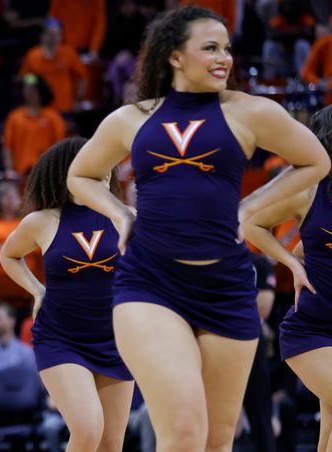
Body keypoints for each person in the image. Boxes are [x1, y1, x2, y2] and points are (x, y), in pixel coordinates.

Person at [67, 6, 330, 451]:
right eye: (210, 48)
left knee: (217, 440)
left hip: (227, 287)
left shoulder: (250, 112)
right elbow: (81, 176)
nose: (223, 58)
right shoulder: (132, 118)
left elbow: (315, 160)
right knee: (185, 434)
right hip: (151, 285)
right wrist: (120, 214)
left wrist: (247, 210)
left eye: (226, 48)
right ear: (173, 56)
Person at [0, 137, 134, 452]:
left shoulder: (127, 216)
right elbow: (8, 255)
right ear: (69, 172)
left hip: (117, 339)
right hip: (62, 338)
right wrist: (36, 290)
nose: (103, 171)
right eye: (93, 163)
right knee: (88, 432)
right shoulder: (42, 221)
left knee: (111, 444)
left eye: (106, 164)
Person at [243, 105, 332, 452]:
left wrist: (299, 257)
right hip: (310, 330)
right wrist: (291, 265)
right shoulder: (308, 189)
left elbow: (306, 248)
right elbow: (252, 223)